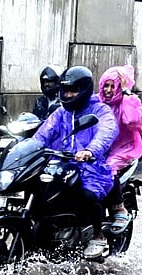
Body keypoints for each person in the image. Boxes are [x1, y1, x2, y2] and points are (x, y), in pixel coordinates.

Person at [33, 66, 118, 258]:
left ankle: (98, 236)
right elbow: (44, 133)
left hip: (90, 165)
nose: (69, 94)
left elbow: (107, 131)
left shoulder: (100, 110)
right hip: (62, 163)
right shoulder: (60, 113)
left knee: (87, 195)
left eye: (73, 90)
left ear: (84, 90)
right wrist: (28, 149)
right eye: (65, 90)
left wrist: (90, 150)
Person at [98, 65, 142, 234]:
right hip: (99, 146)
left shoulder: (131, 101)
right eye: (106, 85)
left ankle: (119, 209)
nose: (109, 90)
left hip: (123, 147)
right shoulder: (97, 101)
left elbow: (132, 121)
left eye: (113, 86)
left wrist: (125, 93)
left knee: (107, 168)